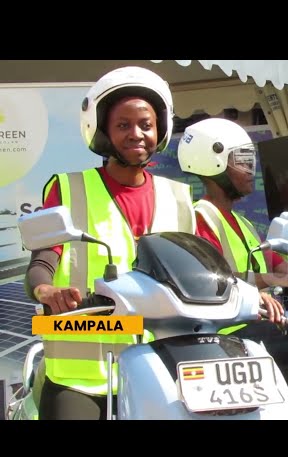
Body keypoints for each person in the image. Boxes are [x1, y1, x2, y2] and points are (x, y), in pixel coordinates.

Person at [23, 66, 198, 420]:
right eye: (123, 125)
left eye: (146, 124)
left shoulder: (180, 197)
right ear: (102, 131)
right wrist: (46, 293)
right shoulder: (68, 188)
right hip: (82, 378)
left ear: (160, 129)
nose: (137, 134)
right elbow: (41, 265)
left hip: (159, 369)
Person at [177, 118, 288, 420]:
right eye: (243, 162)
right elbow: (215, 278)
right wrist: (277, 277)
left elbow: (272, 260)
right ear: (214, 163)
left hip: (259, 318)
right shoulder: (201, 218)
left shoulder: (244, 223)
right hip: (229, 328)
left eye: (251, 162)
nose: (252, 171)